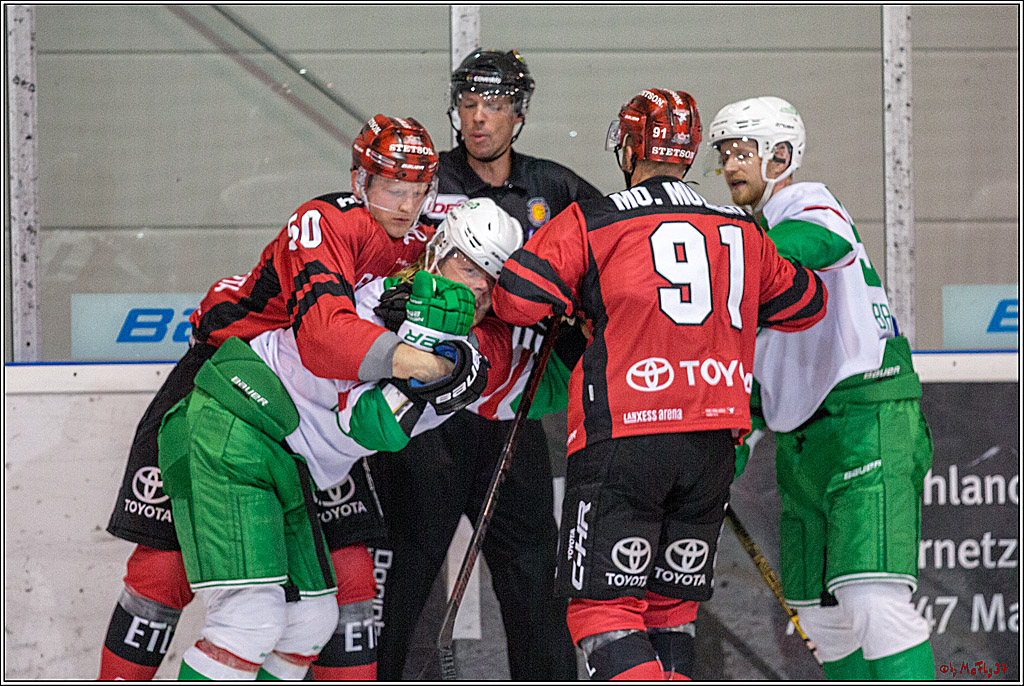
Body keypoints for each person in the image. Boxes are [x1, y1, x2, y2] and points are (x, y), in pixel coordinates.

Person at [490, 87, 829, 681]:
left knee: (601, 610)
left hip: (624, 436)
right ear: (690, 150)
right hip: (712, 446)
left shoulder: (593, 220)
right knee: (670, 612)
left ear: (627, 146)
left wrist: (579, 302)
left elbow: (516, 299)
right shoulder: (743, 231)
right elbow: (807, 302)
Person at [98, 114, 442, 680]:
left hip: (310, 415)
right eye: (392, 190)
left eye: (417, 192)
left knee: (346, 584)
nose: (406, 206)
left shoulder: (425, 242)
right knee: (162, 573)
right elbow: (326, 336)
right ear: (361, 182)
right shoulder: (326, 218)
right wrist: (426, 364)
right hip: (223, 381)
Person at [157, 198, 523, 680]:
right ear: (438, 252)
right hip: (235, 425)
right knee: (247, 623)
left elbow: (523, 387)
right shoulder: (386, 303)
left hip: (283, 455)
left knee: (310, 620)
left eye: (492, 277)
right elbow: (367, 422)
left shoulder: (460, 338)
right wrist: (435, 376)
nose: (477, 285)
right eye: (468, 264)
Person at [370, 48, 603, 681]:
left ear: (519, 116)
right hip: (427, 413)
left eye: (494, 106)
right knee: (407, 571)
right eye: (468, 104)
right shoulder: (427, 180)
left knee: (533, 578)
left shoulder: (555, 189)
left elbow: (617, 257)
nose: (478, 119)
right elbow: (375, 251)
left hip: (510, 415)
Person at [706, 96, 935, 680]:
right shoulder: (749, 243)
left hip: (867, 421)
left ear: (781, 155)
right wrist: (728, 448)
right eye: (724, 154)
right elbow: (762, 375)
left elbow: (819, 247)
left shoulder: (806, 203)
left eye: (744, 152)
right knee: (820, 617)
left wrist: (722, 263)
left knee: (873, 603)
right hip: (803, 445)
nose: (732, 165)